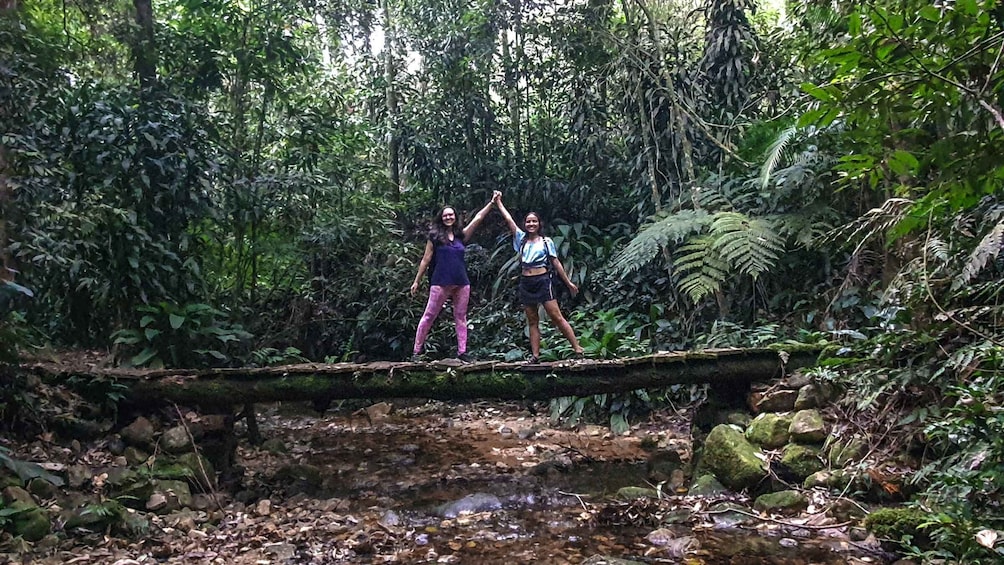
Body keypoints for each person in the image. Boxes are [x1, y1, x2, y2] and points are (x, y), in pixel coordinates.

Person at [409, 192, 500, 362]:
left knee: (460, 316)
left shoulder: (461, 236)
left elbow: (478, 219)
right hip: (440, 281)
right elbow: (426, 259)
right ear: (441, 218)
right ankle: (416, 352)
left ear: (455, 217)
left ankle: (462, 352)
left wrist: (492, 203)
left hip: (461, 281)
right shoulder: (435, 237)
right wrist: (417, 281)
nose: (448, 217)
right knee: (429, 316)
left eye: (451, 215)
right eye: (445, 215)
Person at [496, 195, 584, 363]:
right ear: (525, 224)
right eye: (528, 222)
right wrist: (498, 202)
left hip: (542, 280)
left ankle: (577, 348)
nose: (531, 224)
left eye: (534, 221)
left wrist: (569, 283)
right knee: (532, 320)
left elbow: (556, 262)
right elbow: (509, 219)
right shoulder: (521, 239)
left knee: (556, 316)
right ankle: (535, 356)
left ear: (539, 224)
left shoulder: (546, 241)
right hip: (526, 282)